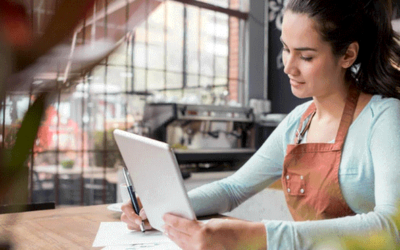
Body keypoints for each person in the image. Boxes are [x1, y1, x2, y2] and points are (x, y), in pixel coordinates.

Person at [121, 0, 400, 248]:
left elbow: (391, 227)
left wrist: (257, 236)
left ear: (348, 55)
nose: (288, 66)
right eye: (285, 48)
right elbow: (233, 189)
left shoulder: (385, 118)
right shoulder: (298, 123)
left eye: (306, 56)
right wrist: (163, 210)